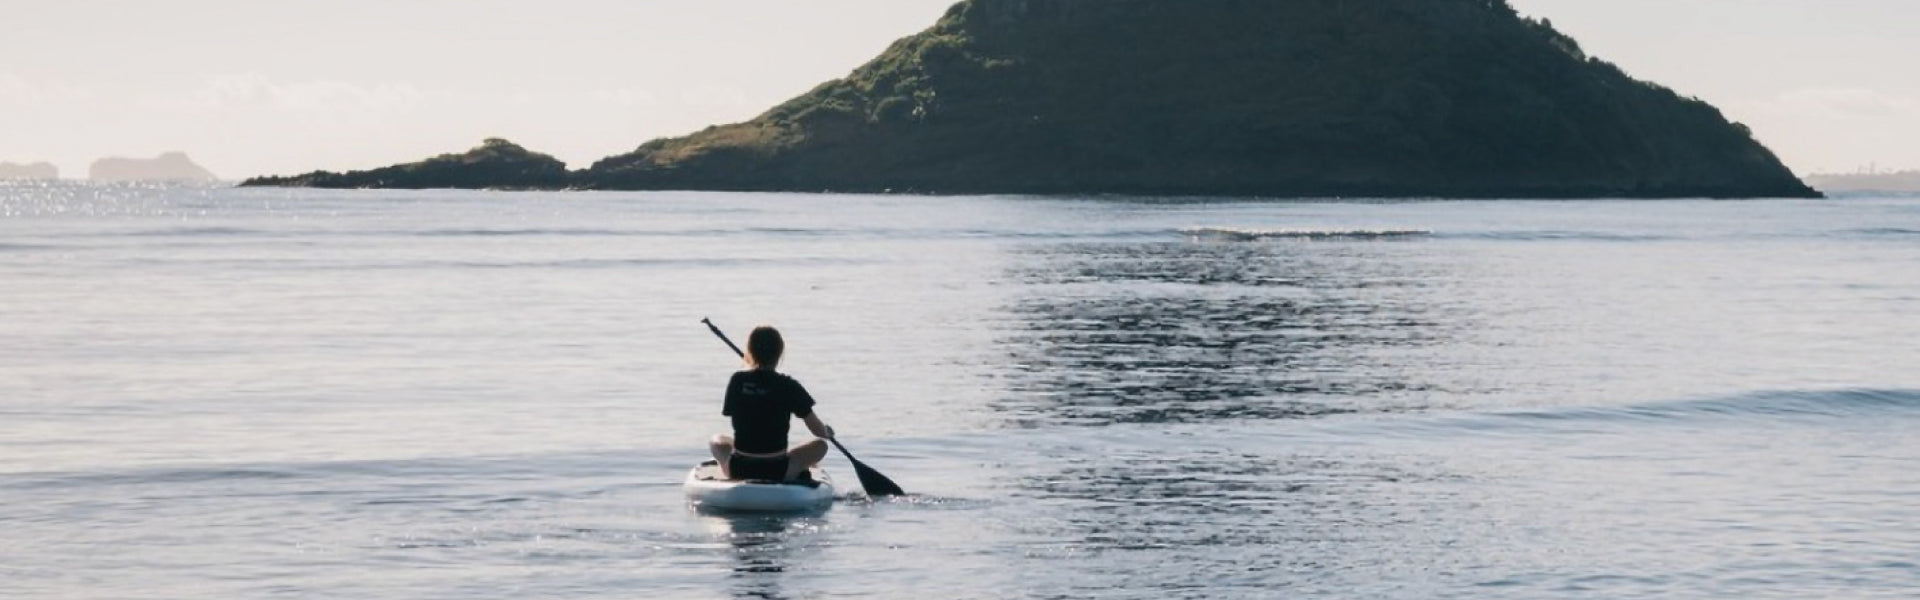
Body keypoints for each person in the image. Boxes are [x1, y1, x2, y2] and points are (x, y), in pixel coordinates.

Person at [709, 326, 835, 481]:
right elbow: (818, 431)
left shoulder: (738, 380)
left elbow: (731, 413)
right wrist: (827, 432)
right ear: (780, 353)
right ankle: (794, 470)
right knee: (821, 445)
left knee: (716, 440)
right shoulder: (789, 385)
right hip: (777, 469)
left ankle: (725, 469)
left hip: (739, 468)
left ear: (750, 351)